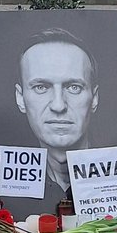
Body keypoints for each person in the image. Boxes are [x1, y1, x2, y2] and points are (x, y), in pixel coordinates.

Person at [14, 29, 100, 195]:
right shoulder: (7, 189)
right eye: (41, 87)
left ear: (94, 98)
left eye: (74, 87)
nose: (59, 106)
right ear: (20, 98)